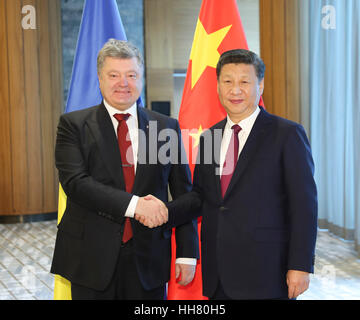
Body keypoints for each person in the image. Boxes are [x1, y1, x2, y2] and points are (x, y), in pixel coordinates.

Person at [147, 49, 318, 300]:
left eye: (244, 82)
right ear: (217, 86)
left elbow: (304, 205)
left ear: (260, 85)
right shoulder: (209, 138)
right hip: (219, 272)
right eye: (227, 81)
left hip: (267, 271)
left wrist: (301, 265)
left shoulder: (287, 134)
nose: (235, 90)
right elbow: (200, 198)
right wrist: (163, 211)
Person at [50, 39, 199, 300]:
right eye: (114, 75)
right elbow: (75, 183)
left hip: (149, 259)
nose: (123, 83)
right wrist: (135, 205)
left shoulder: (165, 127)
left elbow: (184, 193)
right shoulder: (73, 125)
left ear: (141, 78)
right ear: (100, 79)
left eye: (131, 75)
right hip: (90, 258)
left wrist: (187, 252)